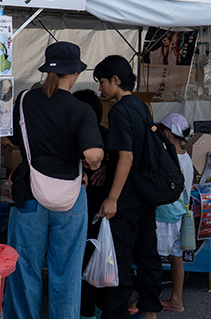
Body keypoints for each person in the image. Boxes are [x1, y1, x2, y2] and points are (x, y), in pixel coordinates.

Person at [3, 42, 105, 319]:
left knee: (24, 267)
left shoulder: (24, 100)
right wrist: (93, 161)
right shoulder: (81, 110)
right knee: (67, 271)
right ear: (74, 74)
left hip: (30, 194)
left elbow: (13, 139)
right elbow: (93, 153)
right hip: (71, 196)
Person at [95, 55, 163, 319]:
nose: (101, 88)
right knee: (147, 253)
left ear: (115, 80)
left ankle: (116, 313)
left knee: (119, 259)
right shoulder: (140, 107)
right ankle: (149, 310)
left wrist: (112, 198)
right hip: (146, 193)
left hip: (127, 197)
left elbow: (127, 156)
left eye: (102, 81)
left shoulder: (121, 110)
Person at [74, 89, 115, 319]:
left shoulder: (82, 137)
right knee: (97, 256)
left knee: (85, 257)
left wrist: (106, 170)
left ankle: (87, 309)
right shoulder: (106, 135)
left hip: (90, 207)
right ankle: (94, 306)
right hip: (100, 208)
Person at [154, 113, 195, 313]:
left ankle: (144, 300)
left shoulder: (167, 157)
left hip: (165, 214)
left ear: (168, 133)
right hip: (180, 213)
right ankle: (176, 299)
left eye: (162, 130)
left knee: (154, 258)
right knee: (175, 256)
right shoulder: (186, 157)